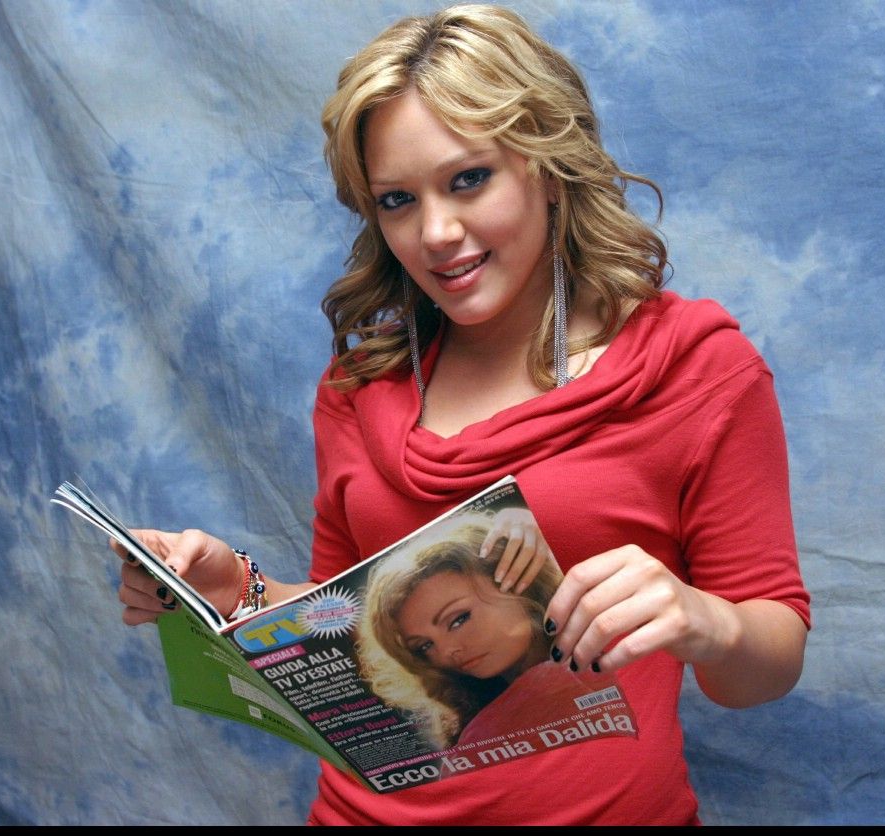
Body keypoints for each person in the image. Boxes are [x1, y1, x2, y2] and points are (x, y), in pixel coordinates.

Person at [114, 4, 811, 825]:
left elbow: (765, 668)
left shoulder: (696, 369)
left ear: (547, 166)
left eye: (468, 179)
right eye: (397, 200)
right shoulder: (361, 384)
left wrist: (705, 623)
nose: (436, 233)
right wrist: (234, 590)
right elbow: (346, 622)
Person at [355, 510, 597, 752]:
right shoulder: (475, 729)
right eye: (424, 646)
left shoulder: (598, 636)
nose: (447, 651)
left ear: (518, 577)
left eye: (458, 620)